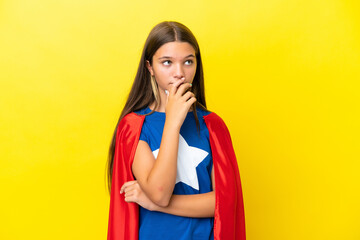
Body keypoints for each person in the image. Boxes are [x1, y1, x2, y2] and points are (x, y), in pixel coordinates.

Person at [106, 21, 246, 240]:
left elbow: (223, 203)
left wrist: (152, 203)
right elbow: (159, 193)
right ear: (150, 67)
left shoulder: (213, 125)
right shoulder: (134, 126)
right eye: (167, 62)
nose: (179, 73)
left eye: (188, 62)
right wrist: (172, 121)